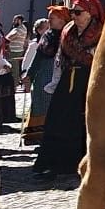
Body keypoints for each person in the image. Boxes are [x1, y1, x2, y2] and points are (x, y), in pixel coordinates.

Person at [32, 0, 104, 182]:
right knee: (58, 120)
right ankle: (53, 164)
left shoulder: (102, 33)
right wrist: (55, 82)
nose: (74, 16)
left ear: (91, 14)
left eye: (78, 12)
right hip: (68, 80)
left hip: (91, 80)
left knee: (87, 123)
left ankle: (88, 164)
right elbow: (59, 58)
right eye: (72, 12)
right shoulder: (68, 32)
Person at [21, 14, 61, 145]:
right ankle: (39, 136)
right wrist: (29, 76)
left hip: (58, 77)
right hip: (43, 77)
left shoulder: (68, 36)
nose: (49, 20)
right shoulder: (46, 38)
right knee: (40, 106)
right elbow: (36, 59)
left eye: (52, 18)